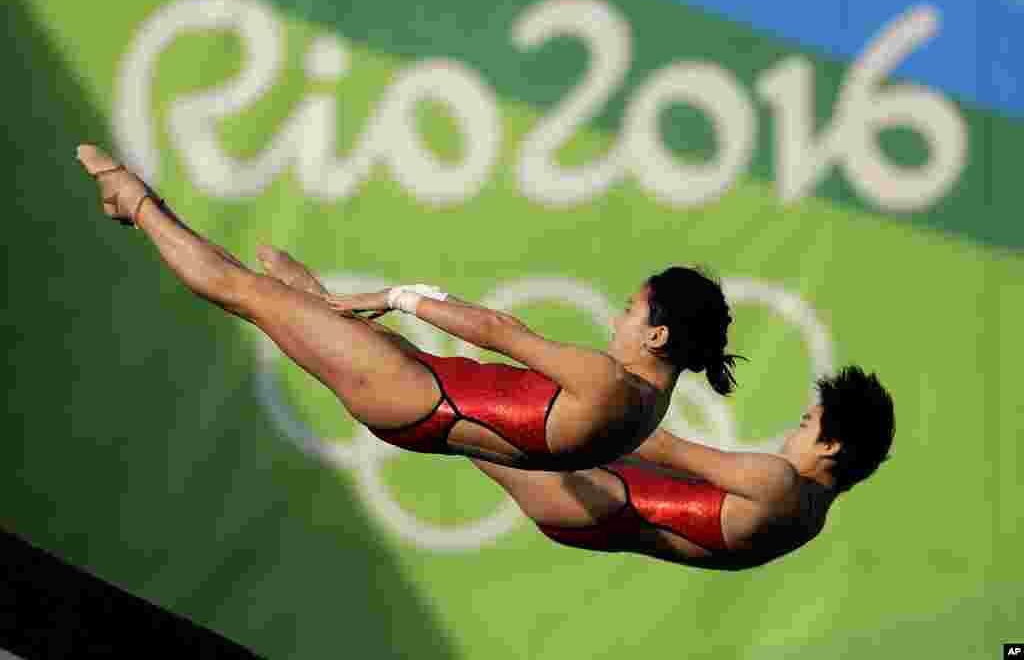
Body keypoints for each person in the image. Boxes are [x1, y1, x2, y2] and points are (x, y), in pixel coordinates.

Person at [223, 237, 895, 571]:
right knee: (426, 388)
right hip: (591, 513)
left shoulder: (780, 484)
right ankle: (321, 308)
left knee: (429, 391)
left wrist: (602, 415)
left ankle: (317, 305)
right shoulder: (808, 520)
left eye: (807, 425)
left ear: (833, 446)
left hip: (583, 490)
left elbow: (662, 448)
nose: (792, 432)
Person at [77, 144, 740, 471]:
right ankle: (315, 304)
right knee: (286, 298)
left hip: (416, 391)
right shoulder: (649, 407)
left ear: (656, 333)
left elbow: (498, 330)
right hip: (424, 400)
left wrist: (395, 295)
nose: (615, 319)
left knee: (246, 291)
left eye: (629, 310)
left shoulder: (606, 381)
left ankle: (133, 200)